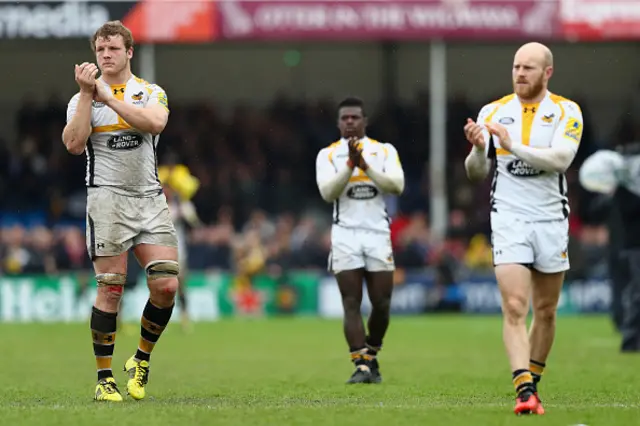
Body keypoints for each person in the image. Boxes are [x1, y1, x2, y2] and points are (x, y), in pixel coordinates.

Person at [463, 42, 583, 415]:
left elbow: (561, 160)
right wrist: (477, 149)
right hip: (509, 217)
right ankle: (523, 390)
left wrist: (513, 146)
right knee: (515, 305)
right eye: (516, 66)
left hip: (550, 219)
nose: (519, 74)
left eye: (528, 68)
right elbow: (477, 172)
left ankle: (533, 381)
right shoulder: (493, 111)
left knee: (545, 310)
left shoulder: (566, 111)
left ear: (547, 72)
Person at [62, 20, 178, 402]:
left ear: (129, 52)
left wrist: (107, 97)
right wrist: (85, 96)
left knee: (166, 285)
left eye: (113, 48)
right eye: (100, 50)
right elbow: (74, 144)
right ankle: (103, 379)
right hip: (106, 199)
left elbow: (155, 123)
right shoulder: (80, 99)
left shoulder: (149, 92)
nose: (106, 55)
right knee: (111, 289)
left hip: (148, 197)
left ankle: (141, 359)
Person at [315, 97, 405, 384]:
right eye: (345, 118)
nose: (350, 122)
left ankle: (371, 355)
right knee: (351, 302)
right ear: (339, 122)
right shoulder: (327, 155)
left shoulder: (384, 151)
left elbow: (397, 186)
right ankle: (362, 365)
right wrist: (349, 167)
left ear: (365, 121)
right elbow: (328, 193)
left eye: (355, 117)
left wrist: (365, 165)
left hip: (378, 233)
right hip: (345, 235)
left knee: (382, 303)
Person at [579, 145, 640, 351]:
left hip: (626, 244)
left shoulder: (621, 189)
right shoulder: (625, 189)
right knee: (633, 291)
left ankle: (628, 331)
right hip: (630, 245)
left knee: (631, 290)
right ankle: (629, 337)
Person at [158, 162, 203, 332]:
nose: (166, 191)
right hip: (161, 250)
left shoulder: (183, 205)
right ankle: (161, 320)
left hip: (179, 250)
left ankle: (185, 317)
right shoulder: (158, 207)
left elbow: (196, 223)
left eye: (169, 188)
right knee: (162, 287)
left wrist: (186, 214)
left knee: (181, 284)